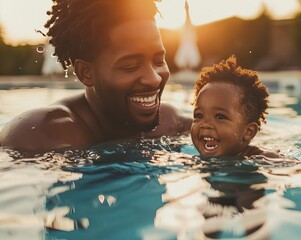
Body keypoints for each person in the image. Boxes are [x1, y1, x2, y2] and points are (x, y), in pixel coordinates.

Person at [0, 0, 192, 152]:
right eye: (131, 66)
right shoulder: (41, 135)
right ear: (85, 73)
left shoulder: (171, 123)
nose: (154, 79)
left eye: (158, 61)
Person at [191, 55, 281, 158]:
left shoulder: (264, 159)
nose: (205, 124)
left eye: (219, 116)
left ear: (248, 132)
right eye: (198, 115)